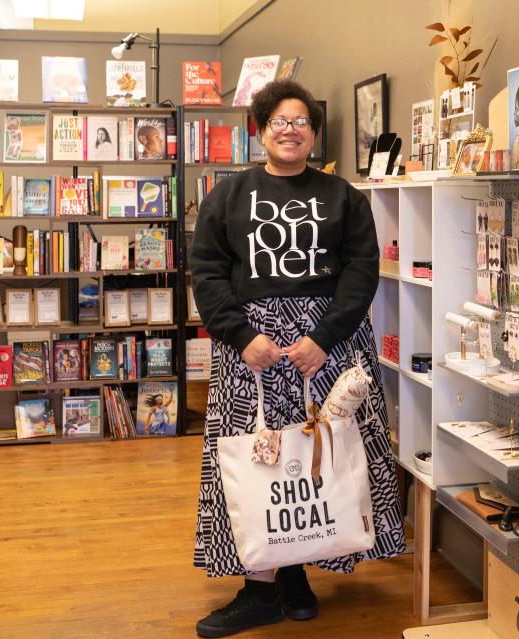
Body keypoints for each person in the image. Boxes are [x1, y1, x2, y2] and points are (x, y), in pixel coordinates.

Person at [190, 80, 405, 638]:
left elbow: (361, 271)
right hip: (253, 352)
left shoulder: (344, 198)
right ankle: (261, 587)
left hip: (325, 347)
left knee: (322, 458)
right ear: (261, 130)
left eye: (301, 121)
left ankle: (300, 573)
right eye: (279, 121)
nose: (290, 129)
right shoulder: (228, 196)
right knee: (254, 458)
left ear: (313, 132)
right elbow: (208, 273)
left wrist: (324, 337)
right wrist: (240, 336)